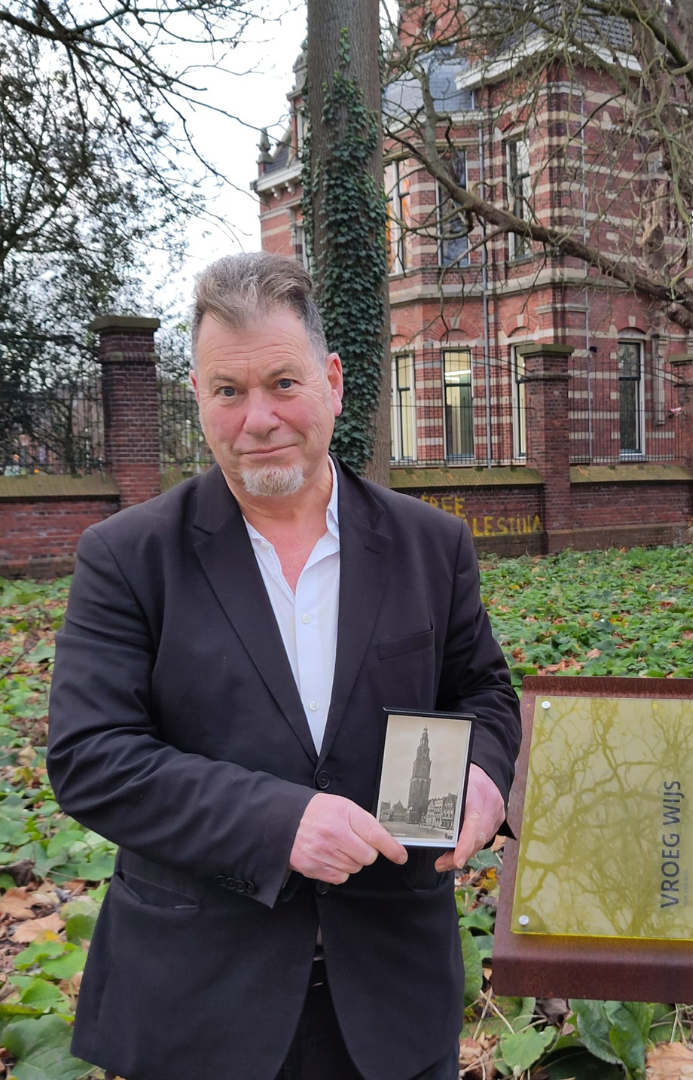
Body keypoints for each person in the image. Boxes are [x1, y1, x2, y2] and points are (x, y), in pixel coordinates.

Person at [46, 252, 521, 1080]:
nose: (257, 417)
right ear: (197, 396)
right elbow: (92, 758)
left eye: (283, 383)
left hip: (395, 1000)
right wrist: (279, 823)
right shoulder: (126, 558)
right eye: (228, 391)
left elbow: (480, 690)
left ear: (333, 381)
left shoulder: (429, 545)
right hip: (201, 1006)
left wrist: (483, 771)